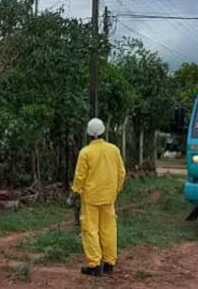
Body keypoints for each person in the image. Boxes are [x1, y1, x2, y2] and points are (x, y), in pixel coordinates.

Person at [70, 117, 126, 277]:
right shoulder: (113, 150)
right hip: (108, 198)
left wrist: (75, 192)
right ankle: (109, 264)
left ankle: (94, 265)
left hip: (91, 198)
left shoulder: (85, 152)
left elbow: (80, 176)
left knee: (90, 230)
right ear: (103, 132)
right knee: (109, 229)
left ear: (88, 134)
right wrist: (116, 189)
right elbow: (121, 172)